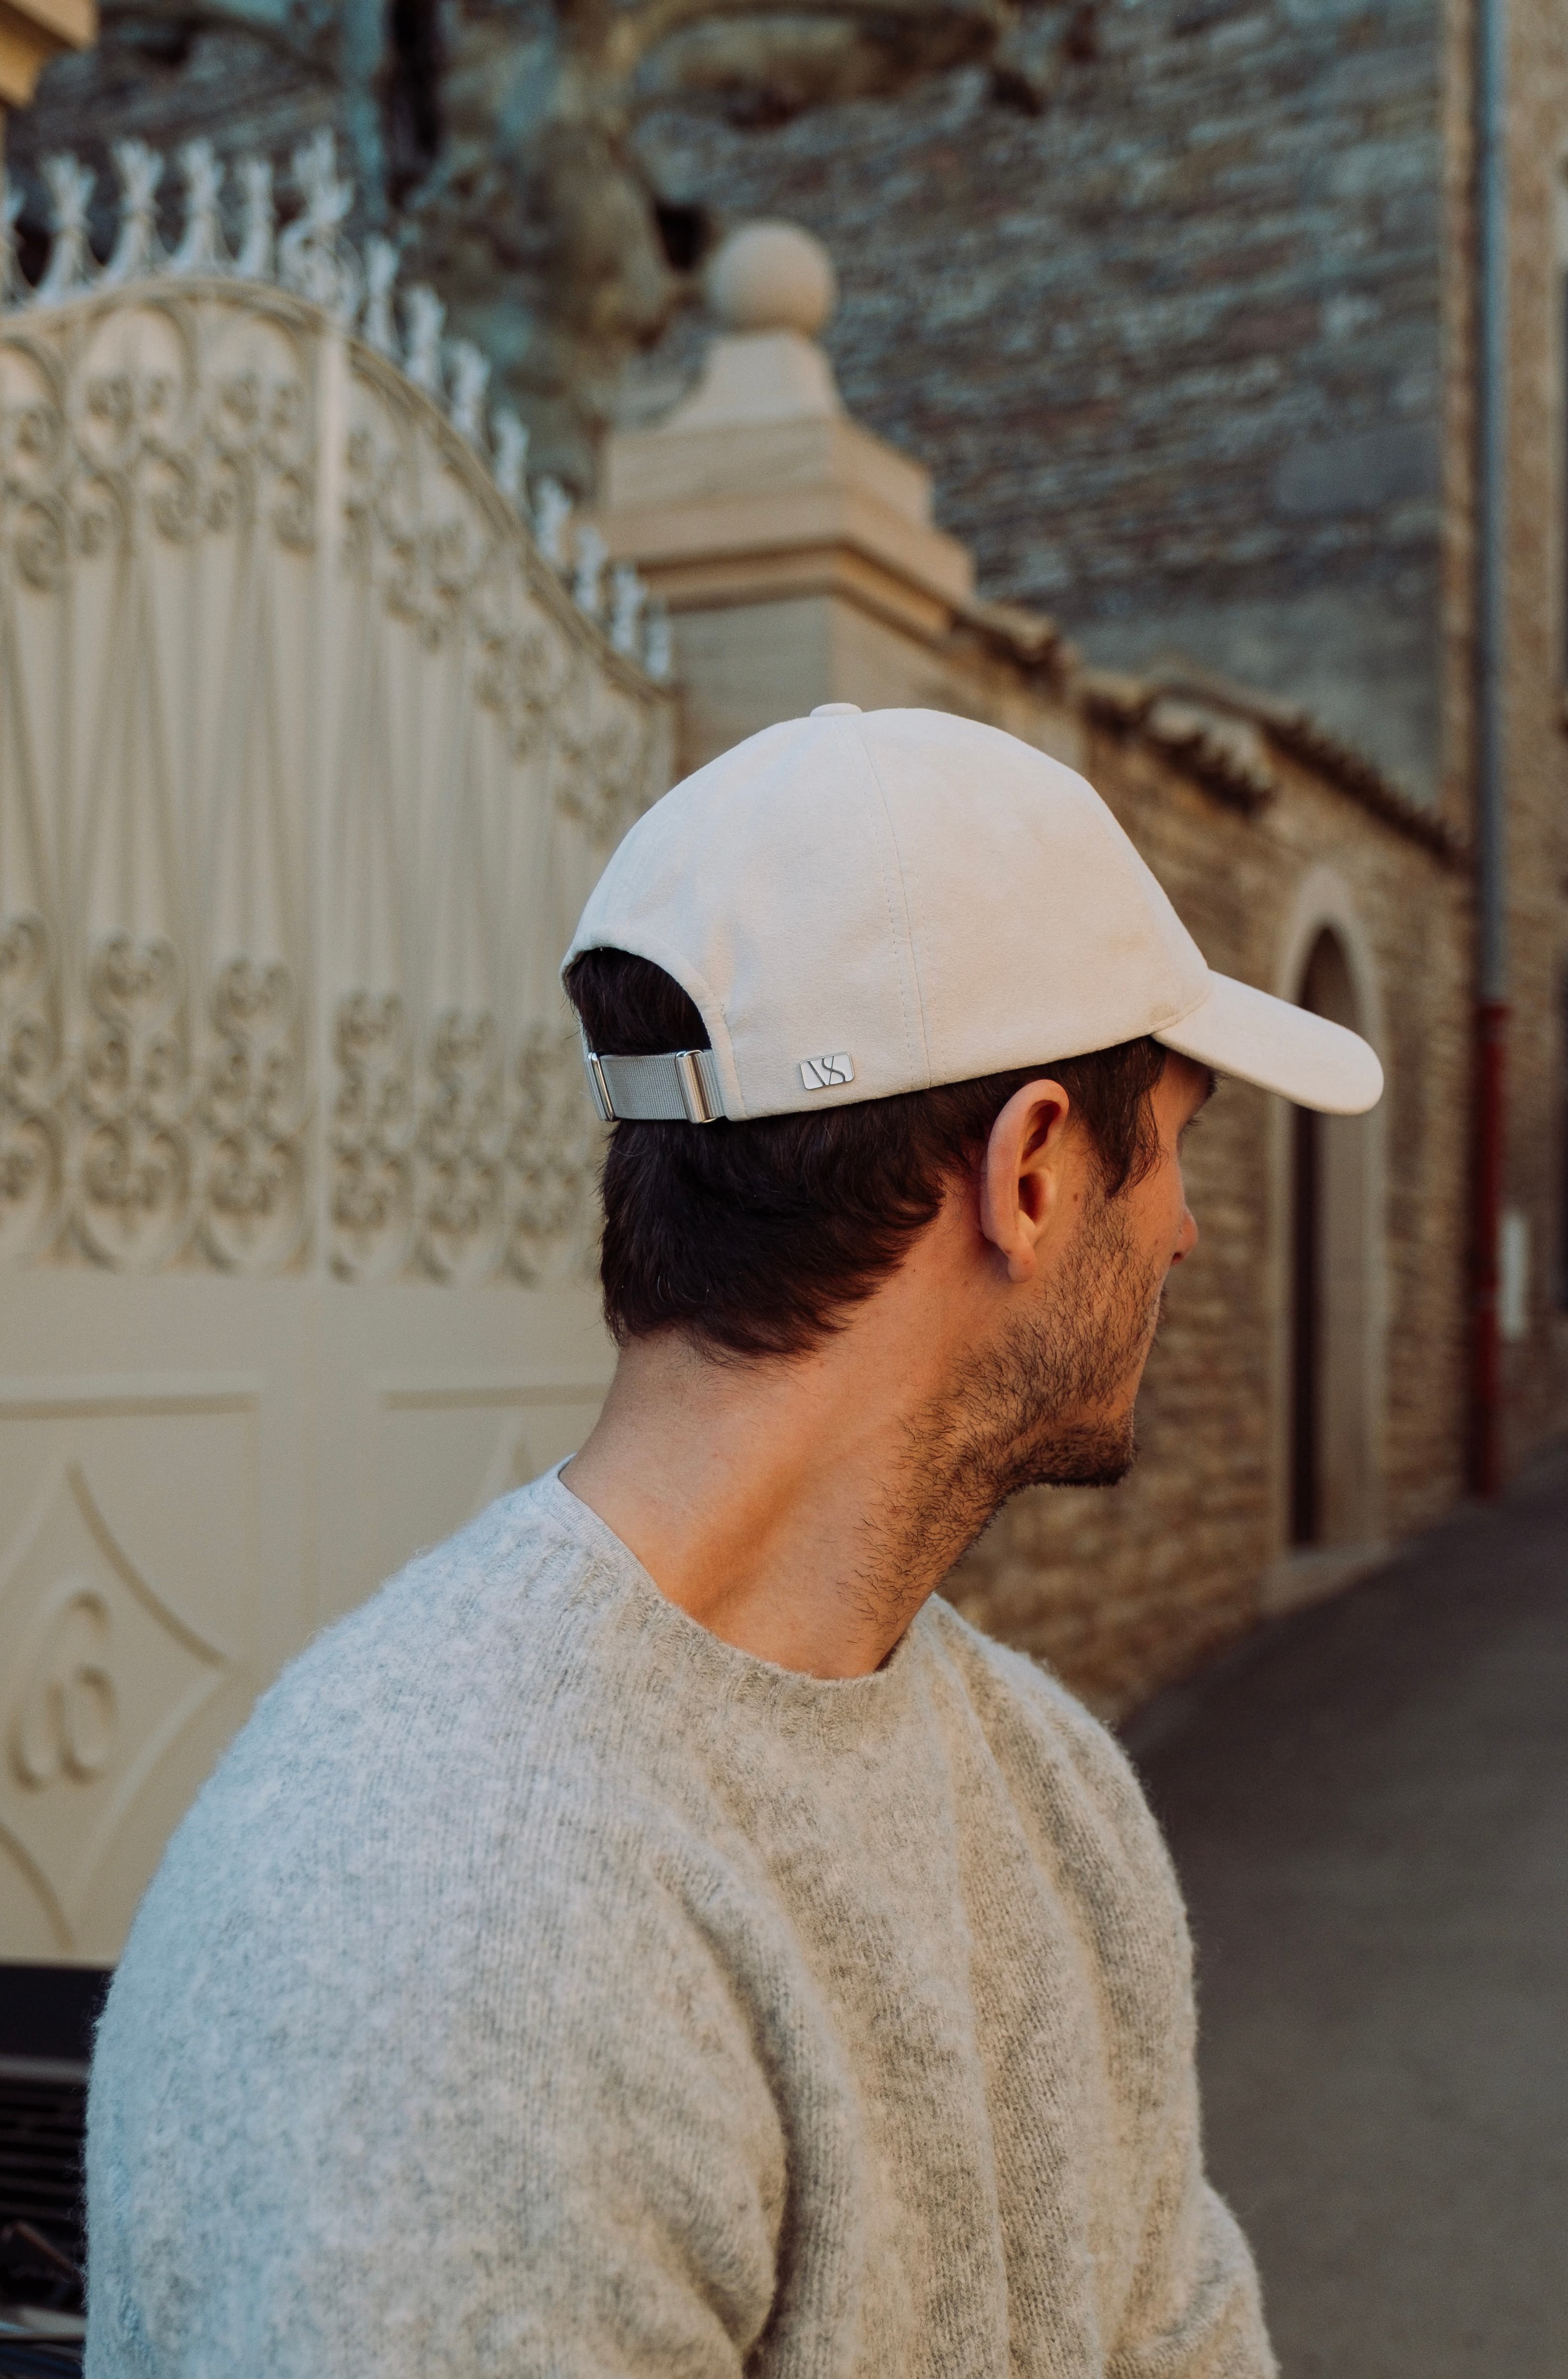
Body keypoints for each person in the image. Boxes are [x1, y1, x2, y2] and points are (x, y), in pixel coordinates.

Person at [84, 706, 1381, 2375]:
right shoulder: (467, 1941)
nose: (1188, 1229)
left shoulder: (1054, 1794)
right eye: (1180, 1146)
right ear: (1035, 1170)